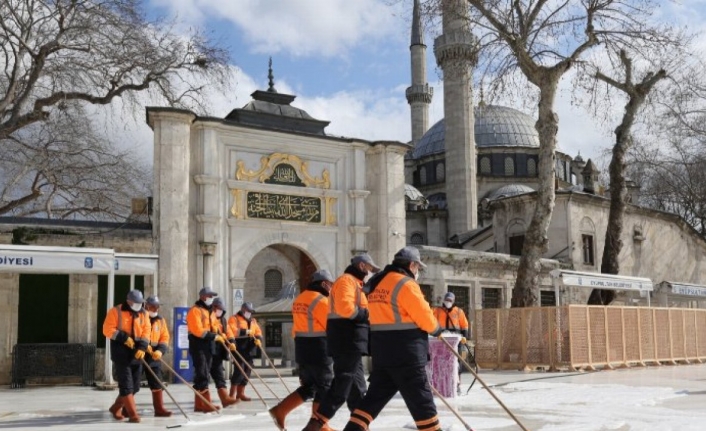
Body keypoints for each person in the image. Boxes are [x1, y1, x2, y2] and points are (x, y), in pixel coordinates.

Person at [341, 246, 444, 431]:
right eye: (418, 268)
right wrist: (437, 330)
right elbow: (424, 317)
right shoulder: (406, 284)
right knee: (423, 404)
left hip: (383, 354)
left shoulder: (377, 283)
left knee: (371, 402)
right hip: (407, 354)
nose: (417, 271)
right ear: (411, 265)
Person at [303, 253, 380, 431]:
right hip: (347, 341)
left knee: (358, 387)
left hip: (354, 342)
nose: (369, 273)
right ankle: (316, 424)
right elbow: (346, 309)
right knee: (342, 385)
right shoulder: (346, 281)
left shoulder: (357, 285)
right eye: (369, 268)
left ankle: (359, 426)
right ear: (361, 266)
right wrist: (368, 315)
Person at [270, 269, 336, 431]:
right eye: (330, 285)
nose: (331, 288)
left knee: (310, 386)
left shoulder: (300, 299)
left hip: (302, 346)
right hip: (319, 347)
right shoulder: (321, 301)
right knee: (324, 386)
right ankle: (320, 425)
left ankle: (280, 410)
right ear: (323, 284)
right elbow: (331, 326)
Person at [103, 289, 151, 423]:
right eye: (136, 302)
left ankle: (115, 407)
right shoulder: (116, 311)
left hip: (136, 353)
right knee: (126, 386)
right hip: (121, 353)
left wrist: (142, 347)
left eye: (141, 303)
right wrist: (123, 337)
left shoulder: (144, 313)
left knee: (135, 387)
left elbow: (147, 330)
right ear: (129, 301)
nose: (139, 305)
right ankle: (133, 414)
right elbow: (107, 329)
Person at [186, 287, 226, 412]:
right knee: (202, 373)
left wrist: (220, 334)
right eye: (209, 296)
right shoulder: (195, 311)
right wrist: (214, 336)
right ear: (203, 297)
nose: (211, 299)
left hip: (208, 345)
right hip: (198, 345)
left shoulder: (210, 312)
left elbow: (214, 326)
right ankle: (207, 404)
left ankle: (199, 405)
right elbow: (197, 330)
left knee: (203, 373)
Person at [432, 291, 470, 393]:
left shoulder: (458, 312)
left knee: (456, 363)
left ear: (453, 301)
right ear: (444, 300)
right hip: (441, 340)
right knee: (441, 362)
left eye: (450, 300)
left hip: (456, 340)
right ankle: (440, 383)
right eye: (447, 300)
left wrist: (464, 338)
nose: (448, 302)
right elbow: (431, 323)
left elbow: (464, 325)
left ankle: (457, 384)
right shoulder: (437, 311)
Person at [227, 301, 263, 401]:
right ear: (243, 310)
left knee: (247, 371)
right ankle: (231, 395)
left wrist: (259, 339)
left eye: (251, 311)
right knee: (239, 370)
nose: (249, 313)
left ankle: (240, 393)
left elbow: (258, 331)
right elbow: (231, 330)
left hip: (249, 348)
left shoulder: (253, 320)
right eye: (248, 311)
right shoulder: (234, 318)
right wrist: (245, 331)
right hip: (238, 347)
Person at [144, 296, 173, 417]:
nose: (155, 309)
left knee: (157, 381)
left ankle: (159, 409)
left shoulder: (160, 320)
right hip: (138, 354)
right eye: (152, 306)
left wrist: (160, 351)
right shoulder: (140, 317)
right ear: (146, 306)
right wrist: (142, 344)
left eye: (157, 307)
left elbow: (165, 337)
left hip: (154, 355)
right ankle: (122, 407)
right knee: (132, 384)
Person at [211, 297, 239, 407]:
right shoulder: (209, 318)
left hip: (218, 352)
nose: (220, 311)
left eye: (222, 309)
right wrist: (216, 336)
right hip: (208, 351)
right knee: (202, 378)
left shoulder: (223, 320)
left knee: (219, 375)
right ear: (213, 308)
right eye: (218, 308)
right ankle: (201, 404)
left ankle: (225, 399)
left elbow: (229, 332)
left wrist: (232, 342)